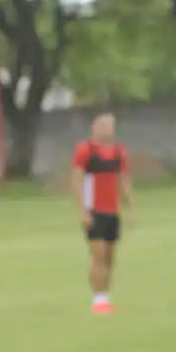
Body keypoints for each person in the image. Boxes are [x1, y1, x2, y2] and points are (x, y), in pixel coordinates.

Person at [71, 113, 133, 314]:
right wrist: (83, 211)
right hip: (94, 211)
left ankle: (106, 296)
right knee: (98, 255)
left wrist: (130, 207)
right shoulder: (85, 151)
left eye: (111, 126)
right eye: (105, 125)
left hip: (112, 211)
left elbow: (123, 180)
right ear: (95, 128)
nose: (109, 130)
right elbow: (77, 181)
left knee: (110, 257)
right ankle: (98, 299)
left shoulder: (118, 153)